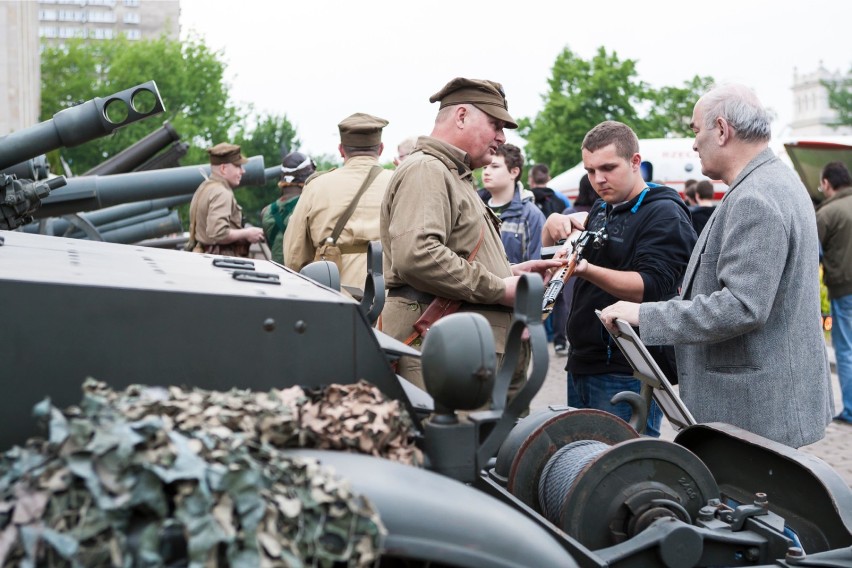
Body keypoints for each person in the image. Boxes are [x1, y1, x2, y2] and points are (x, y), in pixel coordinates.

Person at [600, 84, 834, 448]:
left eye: (696, 130)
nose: (693, 143)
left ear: (722, 130)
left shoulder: (755, 196)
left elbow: (742, 307)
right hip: (766, 405)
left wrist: (644, 315)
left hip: (753, 415)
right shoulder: (776, 181)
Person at [380, 77, 563, 389]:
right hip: (437, 350)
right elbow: (418, 256)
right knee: (445, 437)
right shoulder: (428, 169)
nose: (502, 137)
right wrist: (499, 287)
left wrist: (510, 273)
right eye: (495, 124)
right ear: (461, 116)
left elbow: (453, 251)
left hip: (453, 349)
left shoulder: (452, 174)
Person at [541, 121, 697, 437]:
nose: (599, 179)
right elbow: (558, 252)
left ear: (635, 162)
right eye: (590, 170)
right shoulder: (603, 207)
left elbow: (652, 287)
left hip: (627, 370)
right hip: (583, 362)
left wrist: (583, 268)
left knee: (619, 473)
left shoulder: (665, 213)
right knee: (585, 465)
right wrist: (554, 222)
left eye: (608, 168)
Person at [283, 112, 393, 291]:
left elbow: (294, 254)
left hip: (332, 293)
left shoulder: (316, 186)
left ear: (341, 150)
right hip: (387, 295)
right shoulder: (398, 183)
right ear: (380, 149)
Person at [816, 161, 852, 424]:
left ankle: (850, 410)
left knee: (846, 350)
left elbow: (811, 254)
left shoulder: (827, 213)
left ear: (827, 183)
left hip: (845, 289)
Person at [187, 143, 265, 257]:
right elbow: (218, 233)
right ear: (223, 168)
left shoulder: (204, 187)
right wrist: (247, 233)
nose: (243, 171)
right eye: (238, 166)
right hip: (219, 260)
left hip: (205, 256)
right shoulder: (222, 193)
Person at [551, 174, 597, 355]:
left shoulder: (570, 213)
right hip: (593, 274)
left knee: (571, 309)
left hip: (570, 274)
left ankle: (571, 343)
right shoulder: (600, 212)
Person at [482, 143, 546, 263]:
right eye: (485, 167)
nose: (486, 172)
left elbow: (537, 268)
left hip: (518, 281)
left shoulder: (531, 215)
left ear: (514, 172)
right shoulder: (475, 208)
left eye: (494, 166)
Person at [260, 151, 316, 264]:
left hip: (276, 274)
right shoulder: (310, 207)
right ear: (308, 177)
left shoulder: (266, 212)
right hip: (302, 276)